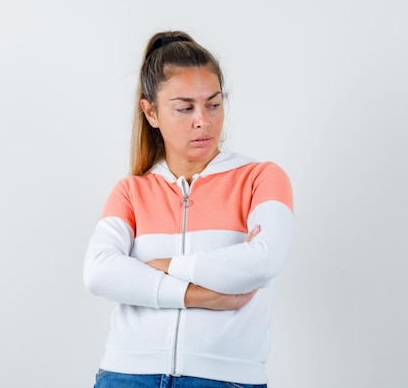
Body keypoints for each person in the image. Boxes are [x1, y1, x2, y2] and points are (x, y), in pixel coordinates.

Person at [83, 30, 294, 388]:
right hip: (126, 375)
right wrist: (197, 295)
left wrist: (162, 267)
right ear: (151, 112)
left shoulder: (261, 178)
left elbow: (263, 262)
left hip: (224, 379)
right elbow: (99, 273)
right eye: (185, 108)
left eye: (213, 104)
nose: (203, 120)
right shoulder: (132, 191)